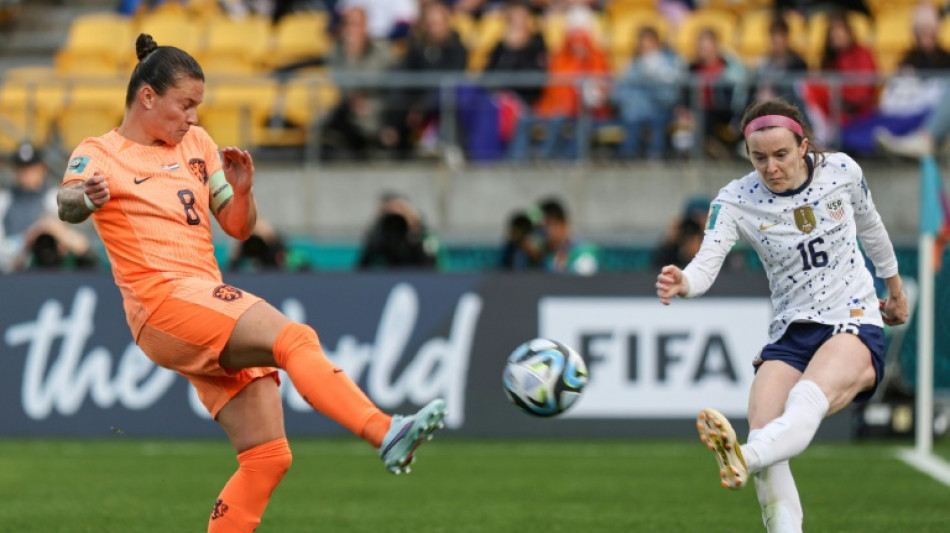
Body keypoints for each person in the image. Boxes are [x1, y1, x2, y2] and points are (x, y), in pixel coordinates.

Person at [57, 34, 446, 533]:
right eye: (186, 105)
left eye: (197, 106)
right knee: (294, 338)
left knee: (267, 456)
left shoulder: (196, 145)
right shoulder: (99, 152)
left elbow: (237, 227)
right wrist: (87, 198)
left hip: (197, 301)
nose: (193, 118)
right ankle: (385, 431)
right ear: (148, 97)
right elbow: (66, 204)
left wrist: (243, 192)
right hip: (164, 301)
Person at [655, 98, 909, 533]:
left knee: (802, 401)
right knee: (766, 434)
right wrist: (685, 282)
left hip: (851, 318)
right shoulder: (735, 199)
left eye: (781, 155)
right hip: (791, 331)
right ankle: (754, 461)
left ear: (803, 146)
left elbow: (872, 229)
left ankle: (744, 456)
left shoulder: (842, 172)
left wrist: (895, 289)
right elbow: (706, 262)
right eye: (759, 158)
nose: (771, 167)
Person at [508, 7, 610, 161]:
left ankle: (545, 159)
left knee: (562, 120)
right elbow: (551, 90)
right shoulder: (560, 58)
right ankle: (515, 162)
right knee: (524, 119)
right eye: (574, 39)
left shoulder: (596, 59)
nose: (577, 44)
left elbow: (601, 91)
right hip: (554, 107)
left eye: (581, 39)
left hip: (582, 112)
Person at [0, 142, 96, 272]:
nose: (27, 173)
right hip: (16, 274)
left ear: (42, 169)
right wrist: (31, 236)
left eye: (31, 168)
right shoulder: (4, 201)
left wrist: (54, 232)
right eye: (21, 168)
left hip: (56, 269)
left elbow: (81, 244)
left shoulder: (54, 198)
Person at [320, 6, 392, 160]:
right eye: (348, 24)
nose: (351, 29)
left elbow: (377, 78)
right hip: (345, 107)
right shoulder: (337, 51)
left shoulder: (380, 50)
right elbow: (333, 80)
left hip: (374, 106)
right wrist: (350, 53)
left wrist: (357, 93)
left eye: (356, 24)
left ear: (365, 27)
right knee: (332, 116)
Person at [611, 26, 684, 160]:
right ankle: (628, 161)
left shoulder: (670, 62)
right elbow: (621, 92)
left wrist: (652, 83)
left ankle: (655, 160)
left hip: (660, 110)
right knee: (631, 124)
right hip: (635, 112)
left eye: (648, 42)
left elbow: (670, 95)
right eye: (642, 43)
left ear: (656, 43)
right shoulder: (633, 65)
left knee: (657, 124)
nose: (645, 46)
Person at [538, 197, 599, 275]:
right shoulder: (545, 258)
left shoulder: (585, 252)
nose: (544, 232)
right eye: (540, 228)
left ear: (563, 224)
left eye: (548, 225)